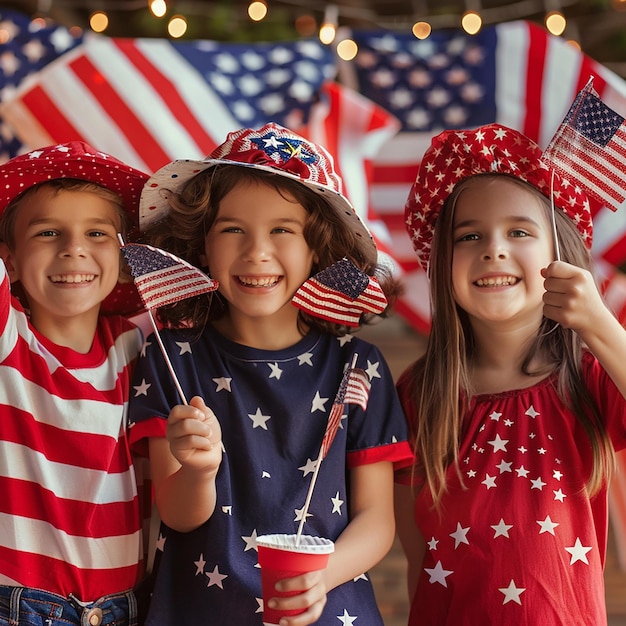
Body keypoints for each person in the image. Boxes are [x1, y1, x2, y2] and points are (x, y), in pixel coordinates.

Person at [128, 122, 413, 625]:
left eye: (282, 230)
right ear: (200, 247)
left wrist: (321, 576)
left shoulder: (359, 364)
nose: (257, 251)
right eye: (233, 229)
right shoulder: (171, 358)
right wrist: (197, 468)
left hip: (329, 608)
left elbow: (376, 520)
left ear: (319, 248)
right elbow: (176, 513)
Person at [394, 122, 626, 625]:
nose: (493, 248)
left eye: (519, 231)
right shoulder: (418, 393)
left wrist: (598, 324)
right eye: (469, 235)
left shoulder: (592, 377)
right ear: (440, 265)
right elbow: (419, 563)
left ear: (560, 253)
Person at [0, 142, 151, 625]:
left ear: (126, 257)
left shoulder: (138, 346)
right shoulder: (9, 336)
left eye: (97, 232)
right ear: (10, 263)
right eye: (48, 232)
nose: (74, 247)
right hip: (17, 604)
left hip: (125, 607)